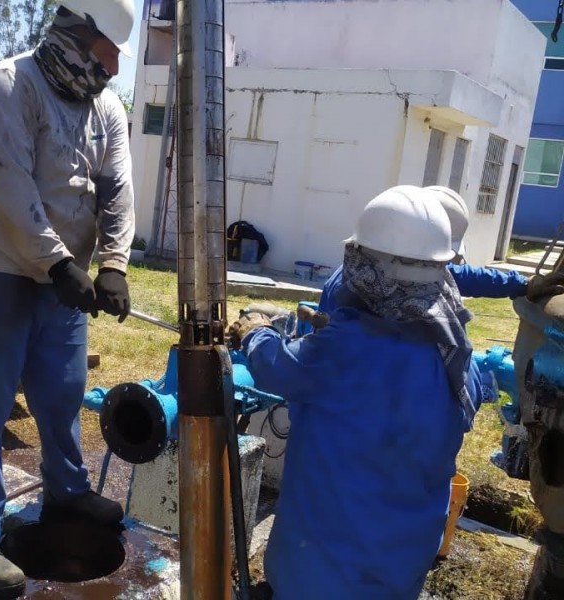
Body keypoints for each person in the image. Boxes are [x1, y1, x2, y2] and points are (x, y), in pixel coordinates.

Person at [0, 0, 134, 596]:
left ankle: (67, 495)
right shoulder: (6, 88)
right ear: (76, 37)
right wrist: (58, 263)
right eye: (108, 54)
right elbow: (9, 191)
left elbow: (118, 188)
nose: (115, 70)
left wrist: (115, 264)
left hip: (59, 273)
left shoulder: (106, 107)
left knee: (63, 389)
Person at [229, 186, 480, 599]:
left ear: (366, 263)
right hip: (404, 560)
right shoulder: (453, 345)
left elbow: (279, 368)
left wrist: (255, 334)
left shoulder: (347, 346)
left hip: (326, 565)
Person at [317, 186, 564, 315]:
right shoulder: (346, 290)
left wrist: (522, 284)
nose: (440, 267)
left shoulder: (419, 275)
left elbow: (467, 277)